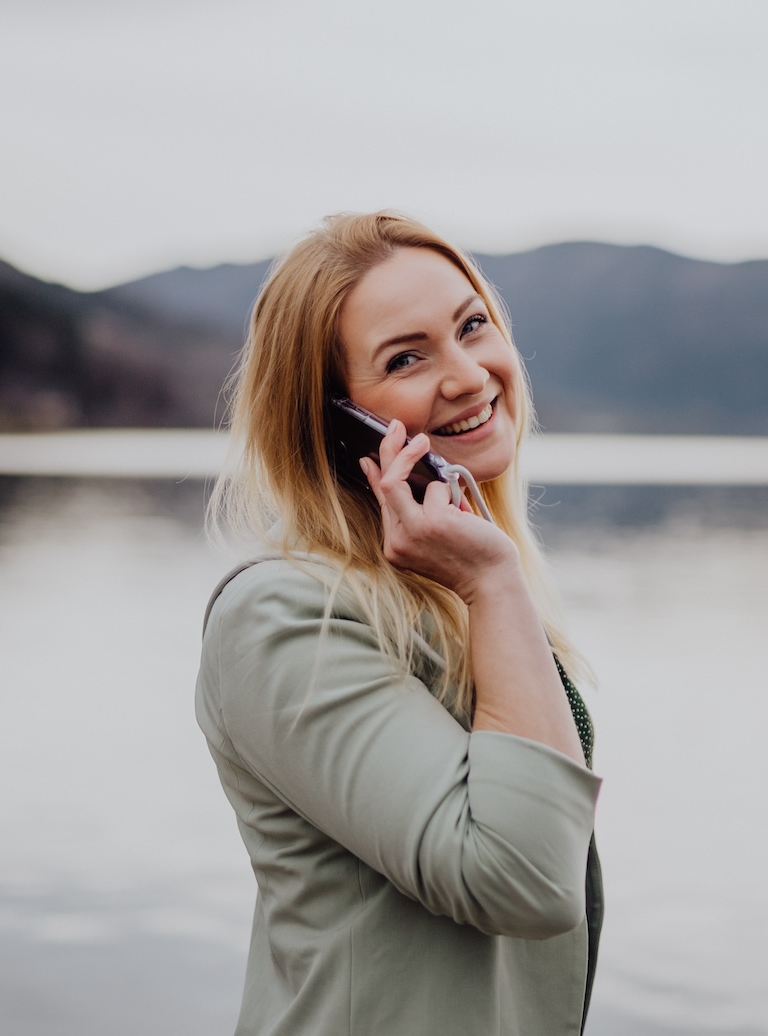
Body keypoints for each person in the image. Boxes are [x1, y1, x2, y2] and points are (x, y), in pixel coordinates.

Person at [197, 211, 602, 1035]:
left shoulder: (447, 596)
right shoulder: (283, 615)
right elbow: (524, 879)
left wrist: (488, 584)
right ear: (336, 420)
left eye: (472, 326)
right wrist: (492, 580)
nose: (466, 375)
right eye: (406, 357)